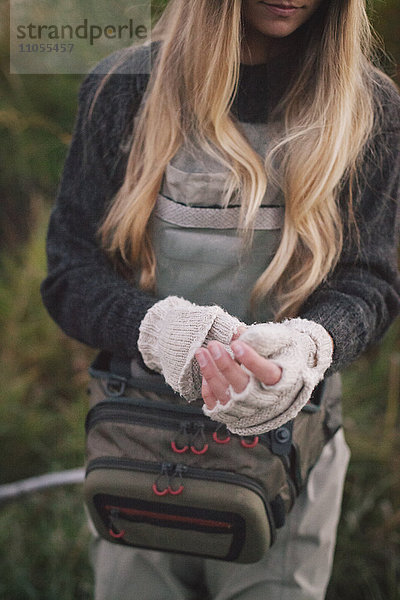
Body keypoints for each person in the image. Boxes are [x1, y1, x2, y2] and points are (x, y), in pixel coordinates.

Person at [41, 0, 400, 598]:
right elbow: (69, 275)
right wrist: (159, 330)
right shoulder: (123, 87)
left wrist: (311, 346)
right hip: (136, 445)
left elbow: (373, 281)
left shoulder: (373, 107)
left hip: (290, 455)